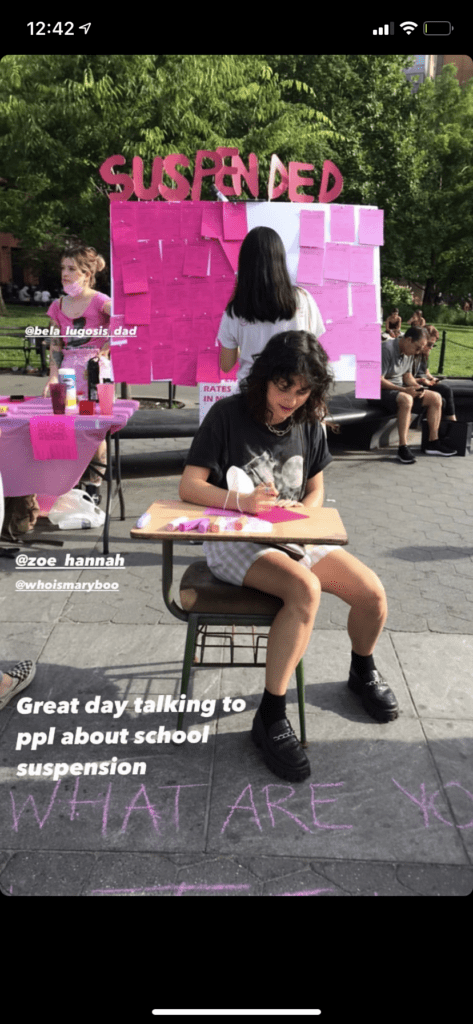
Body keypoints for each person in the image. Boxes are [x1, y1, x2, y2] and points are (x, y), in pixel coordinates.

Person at [180, 330, 396, 783]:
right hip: (235, 539)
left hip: (291, 536)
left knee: (372, 594)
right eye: (284, 387)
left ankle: (362, 670)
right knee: (304, 589)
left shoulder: (309, 422)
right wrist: (243, 504)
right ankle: (271, 715)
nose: (292, 400)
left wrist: (304, 514)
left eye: (303, 392)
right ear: (264, 379)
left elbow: (316, 487)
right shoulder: (228, 415)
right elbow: (189, 486)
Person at [43, 245, 112, 500]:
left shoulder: (101, 301)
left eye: (72, 269)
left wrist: (108, 346)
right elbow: (55, 343)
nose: (65, 273)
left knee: (94, 428)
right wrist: (52, 376)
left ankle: (93, 488)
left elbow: (126, 319)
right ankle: (66, 486)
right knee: (62, 427)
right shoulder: (57, 305)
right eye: (63, 268)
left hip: (95, 374)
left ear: (86, 273)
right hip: (67, 373)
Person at [218, 226, 326, 386]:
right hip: (293, 393)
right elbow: (313, 349)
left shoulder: (235, 310)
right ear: (280, 259)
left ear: (244, 263)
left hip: (252, 394)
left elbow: (226, 365)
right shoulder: (303, 298)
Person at [380, 326, 457, 463]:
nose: (418, 352)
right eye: (417, 348)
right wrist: (403, 390)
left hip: (397, 389)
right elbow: (377, 381)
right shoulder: (385, 350)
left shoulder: (408, 351)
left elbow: (407, 376)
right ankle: (402, 447)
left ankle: (433, 442)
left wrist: (417, 387)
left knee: (436, 397)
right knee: (406, 399)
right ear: (408, 340)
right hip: (379, 391)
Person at [414, 327, 457, 423]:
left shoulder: (425, 354)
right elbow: (408, 375)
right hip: (417, 382)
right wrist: (424, 380)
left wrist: (432, 378)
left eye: (433, 345)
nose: (431, 347)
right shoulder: (414, 352)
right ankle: (449, 424)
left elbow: (426, 371)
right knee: (442, 395)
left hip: (424, 380)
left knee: (446, 390)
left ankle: (451, 422)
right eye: (429, 344)